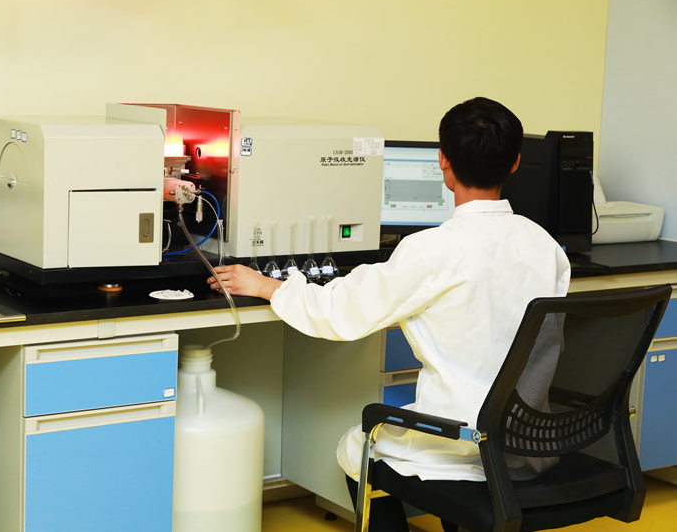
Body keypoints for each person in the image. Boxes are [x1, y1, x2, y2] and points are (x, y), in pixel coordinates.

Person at [207, 97, 571, 532]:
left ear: (443, 161)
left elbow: (342, 313)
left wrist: (267, 286)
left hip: (462, 443)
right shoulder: (545, 246)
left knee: (356, 446)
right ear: (515, 162)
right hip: (529, 442)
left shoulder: (431, 250)